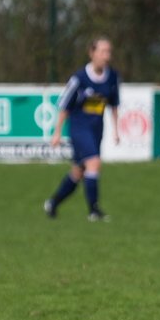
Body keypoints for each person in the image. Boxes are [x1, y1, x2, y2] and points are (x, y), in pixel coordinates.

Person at [43, 36, 120, 222]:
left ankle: (53, 203)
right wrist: (57, 132)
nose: (106, 56)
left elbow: (113, 105)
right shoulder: (79, 79)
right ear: (92, 53)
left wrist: (116, 130)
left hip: (96, 130)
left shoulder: (112, 77)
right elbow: (64, 106)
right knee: (94, 162)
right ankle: (94, 211)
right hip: (79, 129)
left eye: (108, 51)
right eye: (102, 51)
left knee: (79, 171)